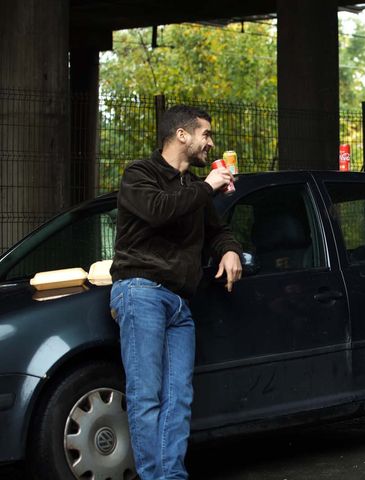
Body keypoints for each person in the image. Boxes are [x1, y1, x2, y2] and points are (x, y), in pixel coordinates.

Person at [110, 105, 243, 478]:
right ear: (182, 135)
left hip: (180, 302)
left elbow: (217, 231)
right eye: (206, 135)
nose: (211, 143)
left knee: (179, 399)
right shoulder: (141, 173)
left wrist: (229, 249)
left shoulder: (193, 189)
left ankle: (170, 476)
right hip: (141, 292)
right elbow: (157, 210)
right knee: (146, 396)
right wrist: (208, 187)